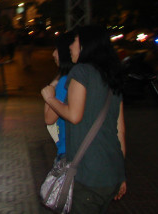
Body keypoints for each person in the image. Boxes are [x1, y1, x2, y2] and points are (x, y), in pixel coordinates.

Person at [41, 25, 126, 213]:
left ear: (86, 45)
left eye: (75, 41)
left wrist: (50, 99)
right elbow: (120, 131)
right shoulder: (112, 76)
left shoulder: (81, 72)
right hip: (111, 172)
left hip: (88, 173)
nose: (71, 46)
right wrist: (121, 174)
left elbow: (74, 115)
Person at [44, 32, 75, 160]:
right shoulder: (82, 78)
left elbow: (49, 118)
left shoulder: (64, 82)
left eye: (57, 49)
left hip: (67, 150)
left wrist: (50, 93)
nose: (53, 54)